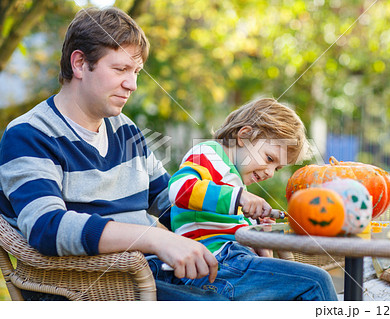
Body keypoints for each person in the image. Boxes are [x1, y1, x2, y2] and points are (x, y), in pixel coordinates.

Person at [0, 6, 226, 301]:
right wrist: (155, 238)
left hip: (148, 275)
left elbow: (169, 201)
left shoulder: (124, 129)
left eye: (135, 72)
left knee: (295, 284)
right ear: (80, 64)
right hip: (85, 291)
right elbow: (47, 227)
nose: (132, 85)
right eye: (120, 69)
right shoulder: (29, 135)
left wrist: (234, 213)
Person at [164, 98, 338, 300]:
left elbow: (227, 222)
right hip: (215, 265)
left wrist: (256, 230)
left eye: (277, 168)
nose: (271, 172)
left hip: (231, 263)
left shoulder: (234, 178)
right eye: (270, 159)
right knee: (317, 282)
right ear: (244, 135)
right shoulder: (209, 154)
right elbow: (179, 190)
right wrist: (239, 197)